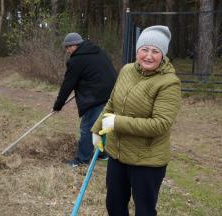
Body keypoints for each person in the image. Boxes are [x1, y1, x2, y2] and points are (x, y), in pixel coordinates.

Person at [91, 25, 182, 216]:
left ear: (163, 54)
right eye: (144, 49)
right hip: (117, 155)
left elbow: (160, 124)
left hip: (147, 161)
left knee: (144, 211)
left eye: (155, 51)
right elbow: (111, 103)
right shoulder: (126, 70)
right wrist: (96, 129)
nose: (148, 56)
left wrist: (117, 123)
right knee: (114, 206)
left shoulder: (169, 83)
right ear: (137, 51)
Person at [52, 32, 117, 167]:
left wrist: (58, 105)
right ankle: (102, 153)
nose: (67, 50)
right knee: (102, 125)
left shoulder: (77, 60)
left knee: (87, 127)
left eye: (67, 47)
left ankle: (82, 159)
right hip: (111, 93)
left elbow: (68, 84)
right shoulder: (97, 51)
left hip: (95, 96)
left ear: (74, 45)